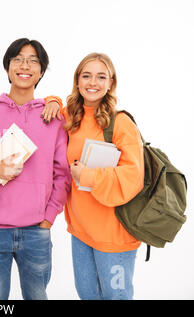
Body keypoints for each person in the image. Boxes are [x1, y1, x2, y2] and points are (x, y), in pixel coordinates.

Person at [0, 38, 71, 300]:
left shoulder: (54, 118)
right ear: (7, 67)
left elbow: (63, 174)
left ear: (42, 71)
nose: (25, 65)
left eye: (33, 61)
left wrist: (48, 218)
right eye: (18, 59)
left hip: (37, 229)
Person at [44, 52, 144, 299]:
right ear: (77, 81)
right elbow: (44, 108)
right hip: (81, 231)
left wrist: (88, 176)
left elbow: (133, 177)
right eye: (86, 76)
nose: (93, 83)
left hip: (113, 236)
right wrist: (54, 100)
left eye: (101, 77)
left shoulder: (120, 123)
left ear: (111, 83)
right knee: (87, 295)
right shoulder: (70, 117)